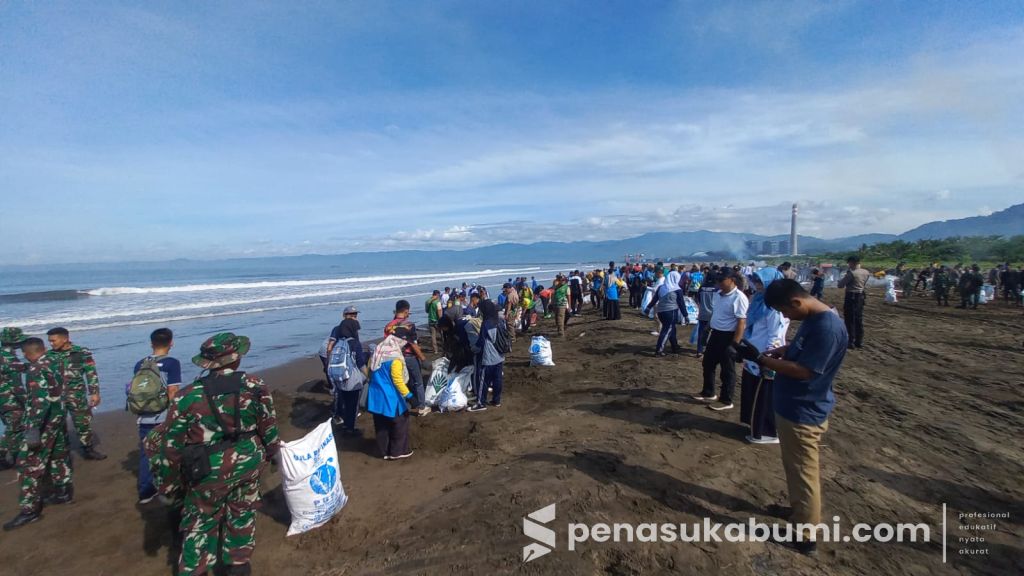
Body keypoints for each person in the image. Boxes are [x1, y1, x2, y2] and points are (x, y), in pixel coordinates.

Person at [732, 279, 848, 556]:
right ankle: (800, 511)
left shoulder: (826, 327)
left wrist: (761, 360)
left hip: (802, 410)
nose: (785, 317)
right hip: (794, 406)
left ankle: (805, 535)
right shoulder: (816, 318)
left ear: (796, 302)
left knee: (804, 472)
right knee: (796, 469)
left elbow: (806, 370)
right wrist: (784, 351)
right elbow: (801, 351)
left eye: (784, 311)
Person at [155, 332, 280, 575]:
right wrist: (272, 455)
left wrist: (168, 484)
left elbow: (170, 447)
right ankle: (238, 564)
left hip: (206, 470)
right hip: (248, 461)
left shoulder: (187, 396)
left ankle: (196, 568)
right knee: (242, 512)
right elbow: (269, 429)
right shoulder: (255, 386)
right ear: (236, 359)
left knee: (200, 524)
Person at [4, 337, 73, 531]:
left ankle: (30, 511)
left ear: (27, 354)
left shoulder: (35, 369)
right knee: (59, 456)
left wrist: (32, 430)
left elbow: (39, 403)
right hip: (58, 417)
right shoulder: (55, 361)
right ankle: (63, 492)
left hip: (44, 423)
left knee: (29, 465)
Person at [131, 328, 182, 504]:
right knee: (169, 452)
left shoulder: (140, 363)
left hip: (143, 415)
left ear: (151, 343)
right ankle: (168, 486)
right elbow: (173, 390)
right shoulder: (172, 363)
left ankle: (145, 491)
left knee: (147, 453)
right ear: (171, 343)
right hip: (163, 416)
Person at [738, 272, 789, 444]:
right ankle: (754, 425)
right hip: (753, 352)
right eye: (756, 280)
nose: (757, 284)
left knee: (764, 395)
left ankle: (766, 432)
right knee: (752, 391)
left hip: (765, 356)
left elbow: (775, 335)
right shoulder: (758, 300)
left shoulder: (774, 307)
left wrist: (769, 359)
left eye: (761, 281)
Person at [46, 327, 106, 460]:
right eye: (49, 341)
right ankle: (61, 452)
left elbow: (91, 373)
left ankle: (88, 449)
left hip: (76, 395)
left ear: (65, 339)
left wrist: (94, 393)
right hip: (55, 398)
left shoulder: (81, 353)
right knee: (57, 425)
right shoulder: (49, 356)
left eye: (53, 340)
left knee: (82, 423)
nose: (51, 344)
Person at [693, 271, 748, 411]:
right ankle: (708, 392)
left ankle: (726, 399)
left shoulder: (739, 297)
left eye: (721, 280)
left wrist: (735, 344)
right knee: (708, 363)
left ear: (731, 280)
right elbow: (715, 313)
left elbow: (741, 322)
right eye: (717, 281)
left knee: (727, 369)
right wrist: (707, 328)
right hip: (715, 333)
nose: (718, 284)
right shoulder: (717, 294)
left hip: (729, 336)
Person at [366, 334, 414, 460]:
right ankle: (397, 451)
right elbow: (398, 381)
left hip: (375, 396)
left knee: (381, 425)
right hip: (390, 397)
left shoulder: (377, 355)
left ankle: (383, 451)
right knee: (400, 423)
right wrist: (409, 395)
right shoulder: (395, 360)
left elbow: (369, 372)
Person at [326, 306, 367, 435]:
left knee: (342, 397)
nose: (354, 317)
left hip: (339, 374)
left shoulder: (340, 340)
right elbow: (360, 362)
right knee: (353, 404)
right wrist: (368, 375)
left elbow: (331, 349)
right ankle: (349, 427)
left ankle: (342, 420)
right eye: (351, 314)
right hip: (351, 376)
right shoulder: (353, 341)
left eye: (355, 314)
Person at [384, 300, 430, 416]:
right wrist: (423, 358)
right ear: (406, 311)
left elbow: (387, 343)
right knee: (418, 382)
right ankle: (421, 407)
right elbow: (413, 344)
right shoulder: (409, 325)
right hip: (409, 357)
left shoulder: (388, 326)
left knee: (400, 382)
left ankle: (402, 406)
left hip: (394, 358)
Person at [466, 300, 505, 412]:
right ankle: (496, 400)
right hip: (499, 355)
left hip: (489, 357)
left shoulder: (486, 323)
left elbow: (481, 342)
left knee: (483, 380)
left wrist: (473, 349)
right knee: (497, 379)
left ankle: (481, 403)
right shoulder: (499, 320)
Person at [0, 327, 28, 470]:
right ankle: (2, 454)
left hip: (2, 400)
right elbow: (16, 386)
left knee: (13, 426)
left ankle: (16, 455)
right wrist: (27, 402)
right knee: (14, 427)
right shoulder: (10, 359)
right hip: (9, 399)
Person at [644, 268, 682, 357]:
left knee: (672, 329)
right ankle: (659, 350)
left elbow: (655, 299)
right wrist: (685, 315)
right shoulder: (677, 289)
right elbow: (681, 303)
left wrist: (648, 308)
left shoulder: (662, 287)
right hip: (671, 312)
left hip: (661, 311)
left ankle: (674, 347)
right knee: (667, 329)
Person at [837, 256, 870, 350]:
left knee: (849, 319)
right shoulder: (866, 272)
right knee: (859, 319)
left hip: (851, 296)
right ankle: (859, 341)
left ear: (852, 263)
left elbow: (840, 285)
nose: (849, 265)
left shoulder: (851, 273)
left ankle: (850, 341)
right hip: (861, 296)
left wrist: (841, 281)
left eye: (849, 263)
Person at [695, 272, 718, 359]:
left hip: (703, 313)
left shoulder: (702, 287)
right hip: (713, 314)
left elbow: (698, 299)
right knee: (714, 334)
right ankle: (712, 351)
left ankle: (699, 351)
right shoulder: (716, 288)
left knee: (701, 333)